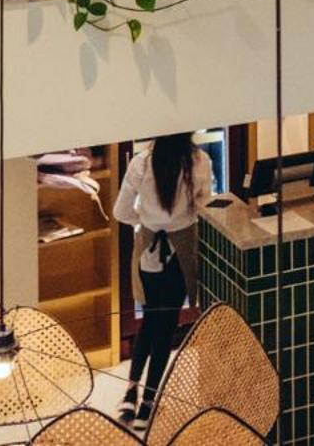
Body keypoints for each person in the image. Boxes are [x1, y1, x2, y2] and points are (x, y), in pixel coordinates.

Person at [112, 132, 213, 428]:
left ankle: (130, 393)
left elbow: (121, 211)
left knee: (149, 321)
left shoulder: (141, 163)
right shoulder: (199, 160)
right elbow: (204, 205)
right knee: (166, 328)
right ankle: (148, 403)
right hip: (181, 253)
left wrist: (145, 221)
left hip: (148, 250)